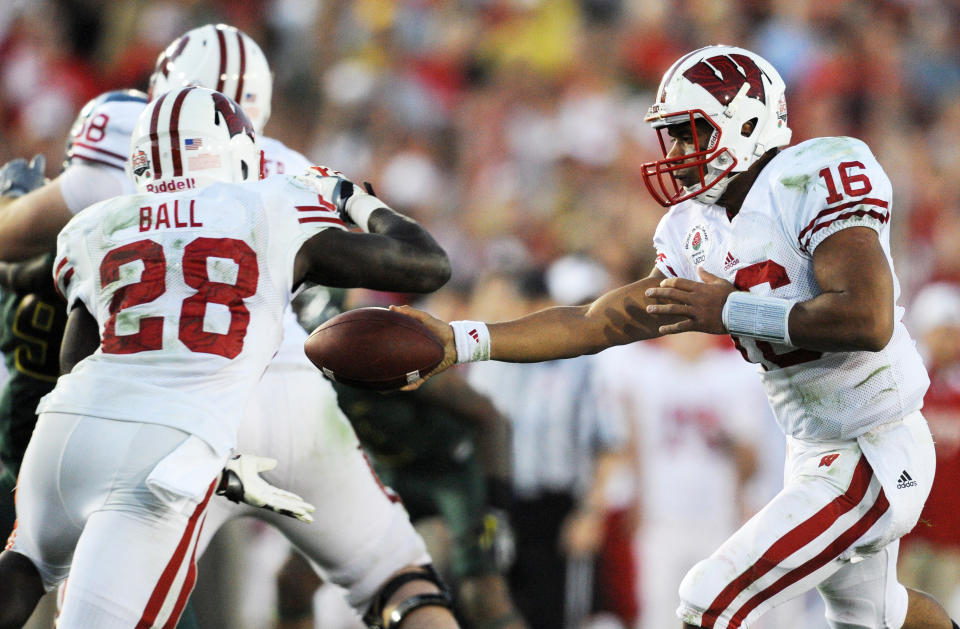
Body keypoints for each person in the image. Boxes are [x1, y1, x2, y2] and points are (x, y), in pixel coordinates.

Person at [394, 44, 960, 629]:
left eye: (692, 133)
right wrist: (457, 341)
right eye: (674, 137)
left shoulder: (814, 176)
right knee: (880, 616)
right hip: (814, 447)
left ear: (746, 121)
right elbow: (599, 321)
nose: (679, 154)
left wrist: (734, 310)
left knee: (708, 596)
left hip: (874, 442)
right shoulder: (694, 230)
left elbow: (867, 321)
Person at [0, 24, 459, 629]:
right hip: (228, 417)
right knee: (393, 573)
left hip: (83, 422)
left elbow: (68, 342)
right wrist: (350, 195)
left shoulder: (101, 210)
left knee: (30, 564)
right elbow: (423, 264)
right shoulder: (279, 189)